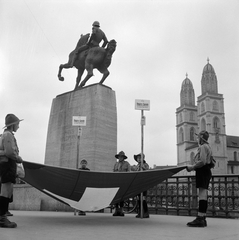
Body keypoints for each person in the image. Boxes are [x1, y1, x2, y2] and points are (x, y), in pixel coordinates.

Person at [0, 114, 23, 228]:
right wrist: (18, 157)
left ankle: (2, 216)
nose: (18, 126)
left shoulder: (5, 135)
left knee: (6, 190)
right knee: (6, 191)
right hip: (8, 164)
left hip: (6, 164)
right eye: (17, 124)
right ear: (13, 125)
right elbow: (9, 152)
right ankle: (2, 218)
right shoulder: (8, 135)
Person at [186, 130, 212, 227]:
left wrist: (192, 167)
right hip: (206, 171)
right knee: (203, 195)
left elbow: (202, 161)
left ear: (201, 138)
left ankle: (200, 218)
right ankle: (202, 217)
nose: (197, 139)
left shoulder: (202, 147)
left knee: (202, 195)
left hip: (202, 171)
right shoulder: (207, 146)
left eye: (198, 137)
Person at [113, 151, 131, 217]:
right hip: (116, 181)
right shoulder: (116, 164)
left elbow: (129, 172)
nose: (120, 158)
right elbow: (113, 172)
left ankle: (121, 210)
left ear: (123, 157)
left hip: (123, 182)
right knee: (116, 196)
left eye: (121, 156)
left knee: (122, 197)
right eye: (119, 156)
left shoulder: (127, 164)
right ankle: (116, 210)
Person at [132, 153, 150, 218]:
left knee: (143, 199)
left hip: (144, 183)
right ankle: (140, 212)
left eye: (140, 158)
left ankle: (146, 212)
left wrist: (144, 168)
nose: (139, 159)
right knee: (139, 199)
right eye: (138, 158)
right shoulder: (137, 166)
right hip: (138, 183)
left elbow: (148, 172)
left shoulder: (145, 164)